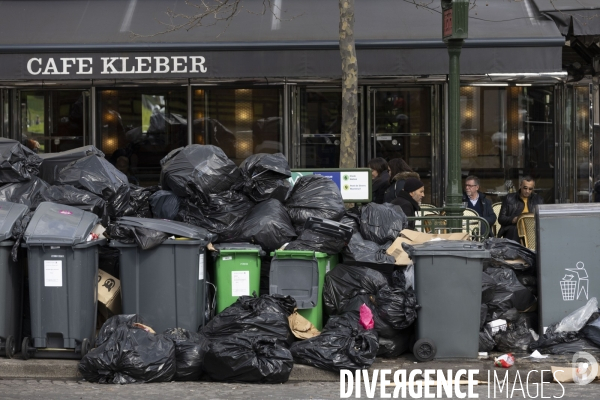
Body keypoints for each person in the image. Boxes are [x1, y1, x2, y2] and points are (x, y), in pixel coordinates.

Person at [498, 176, 543, 242]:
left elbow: (542, 219)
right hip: (514, 227)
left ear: (533, 188)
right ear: (520, 185)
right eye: (525, 188)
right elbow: (501, 219)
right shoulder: (509, 198)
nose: (527, 191)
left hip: (531, 227)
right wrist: (513, 219)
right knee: (515, 230)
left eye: (530, 189)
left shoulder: (538, 199)